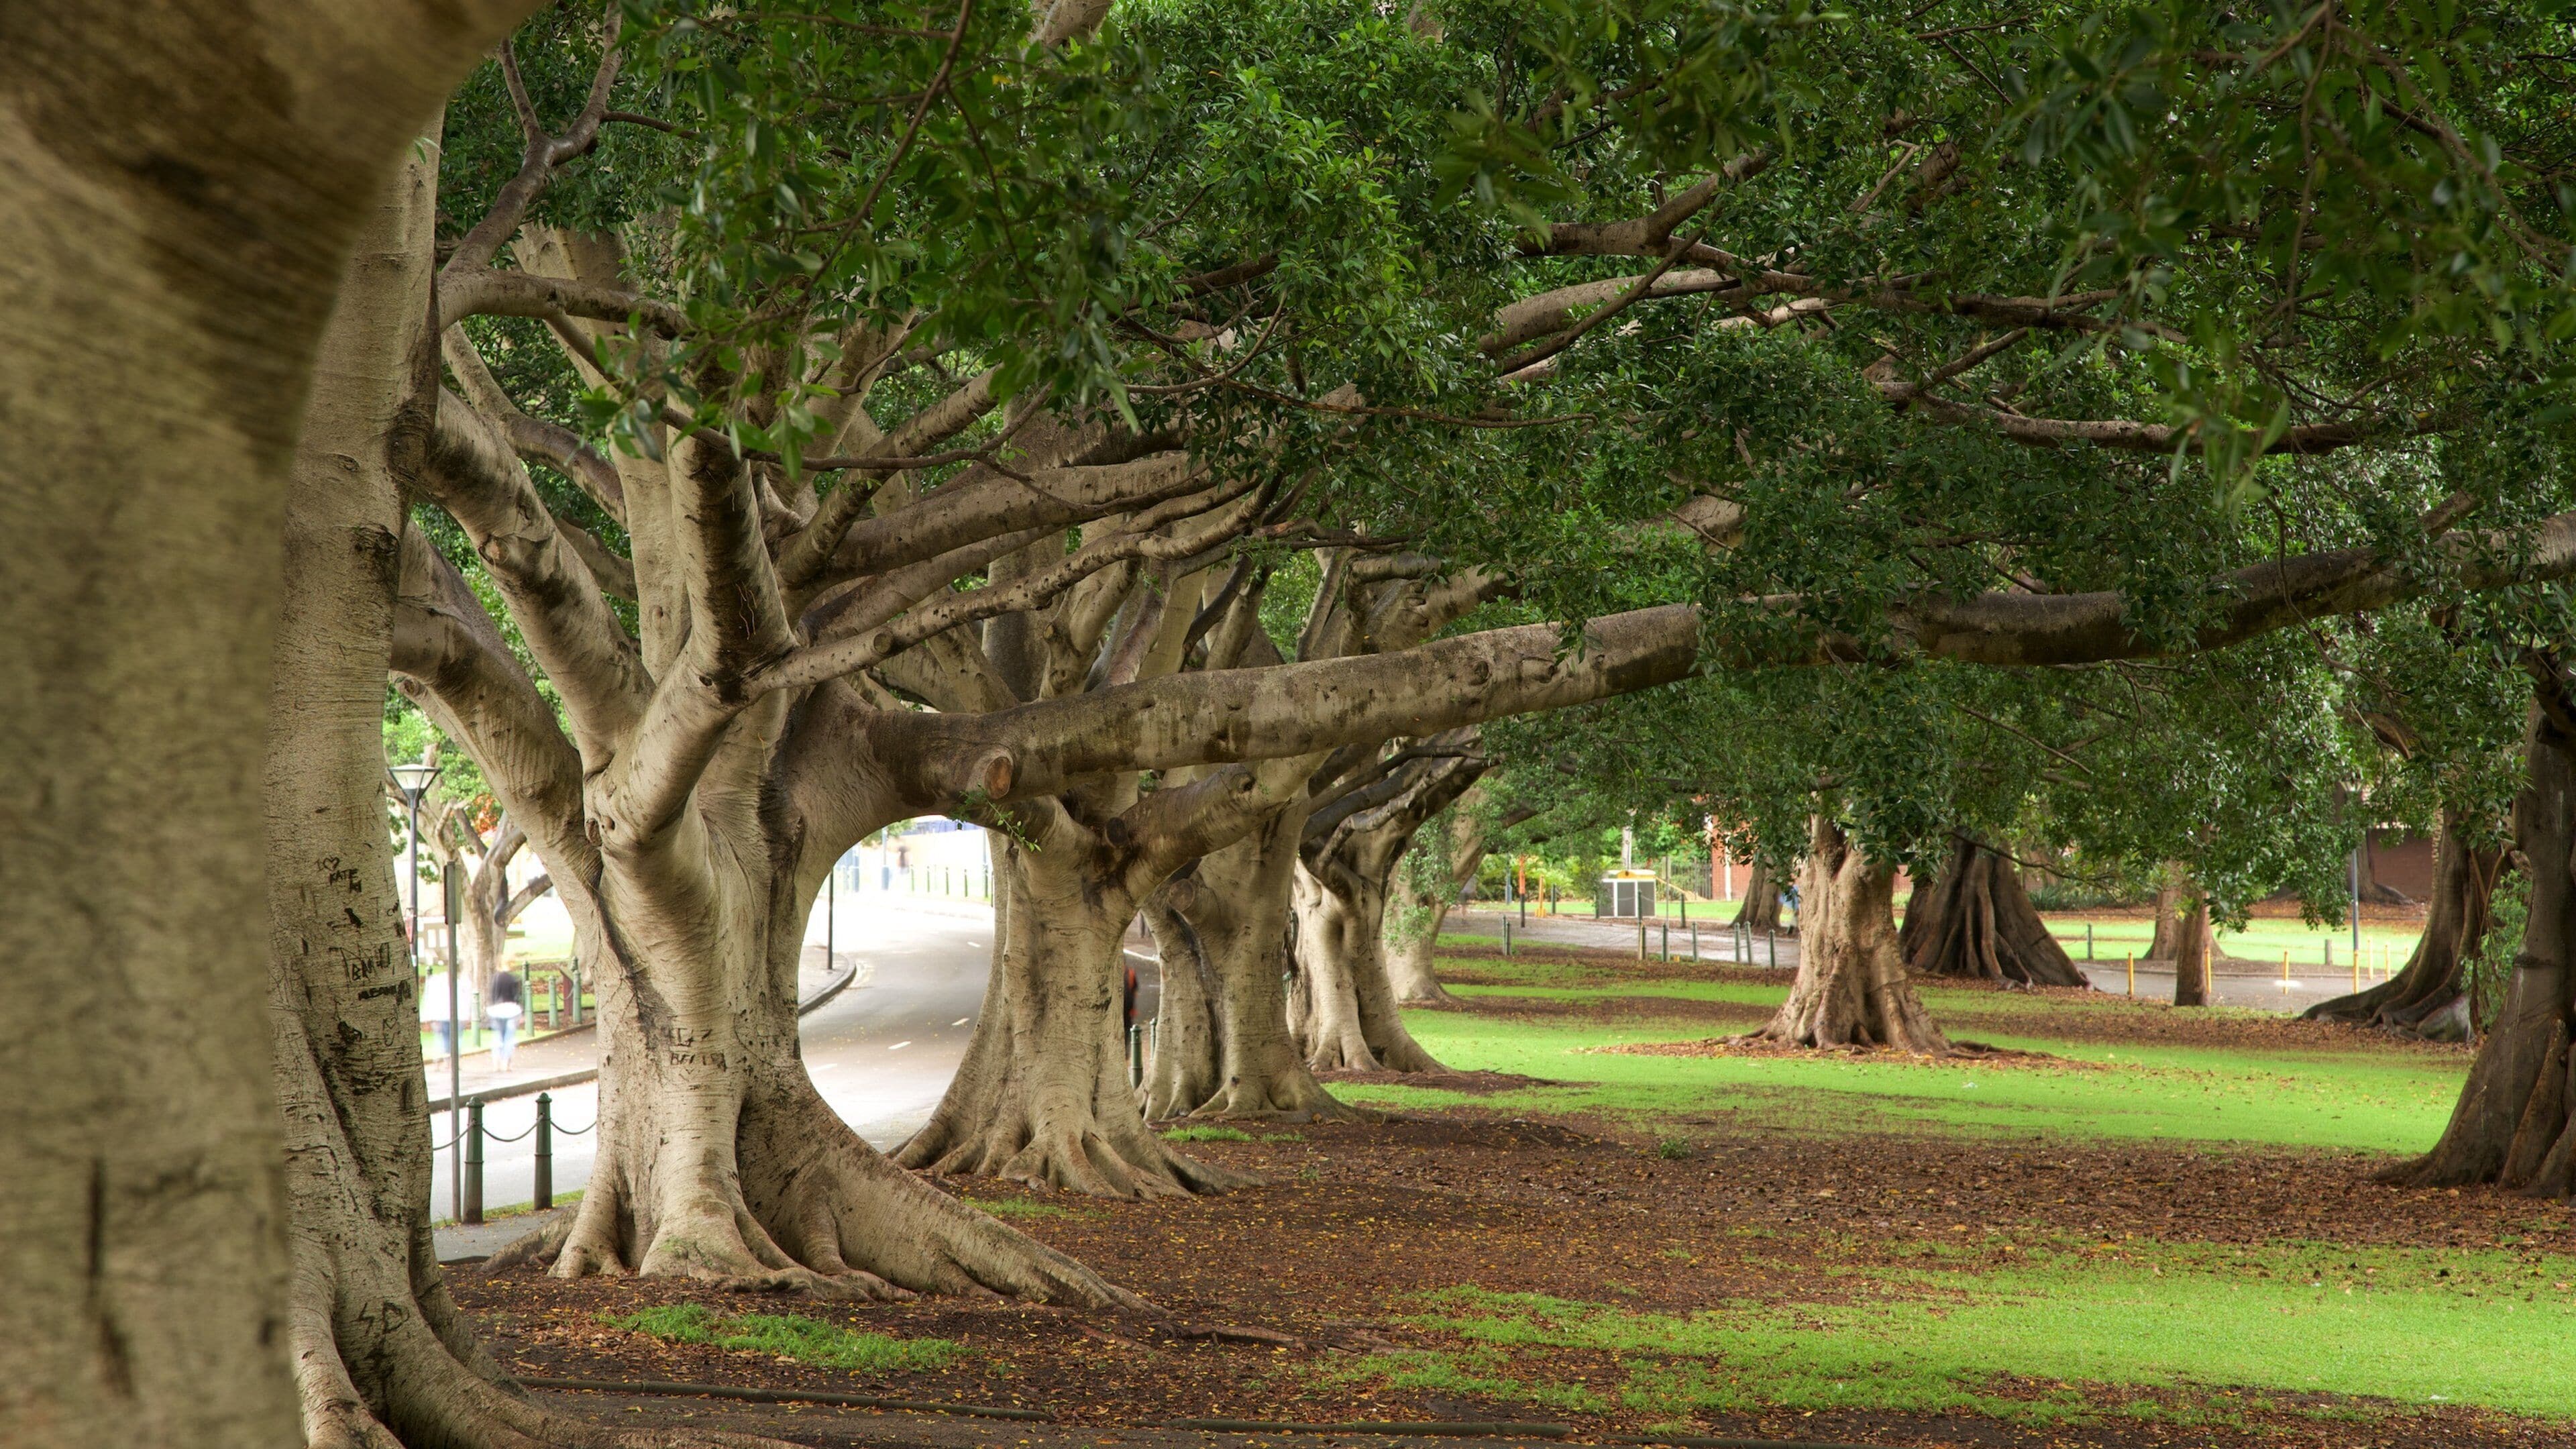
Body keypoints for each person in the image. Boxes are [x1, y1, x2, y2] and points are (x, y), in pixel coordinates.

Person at [486, 968, 525, 1071]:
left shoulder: (496, 978)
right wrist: (522, 1013)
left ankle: (496, 1062)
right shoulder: (514, 979)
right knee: (509, 1038)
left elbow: (493, 996)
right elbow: (517, 997)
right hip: (512, 1010)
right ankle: (506, 1063)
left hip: (497, 1010)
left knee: (497, 1036)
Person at [419, 966, 454, 1058]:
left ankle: (444, 1059)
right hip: (441, 1016)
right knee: (443, 1039)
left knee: (443, 1039)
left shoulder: (437, 984)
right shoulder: (437, 984)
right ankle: (443, 1059)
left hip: (443, 1016)